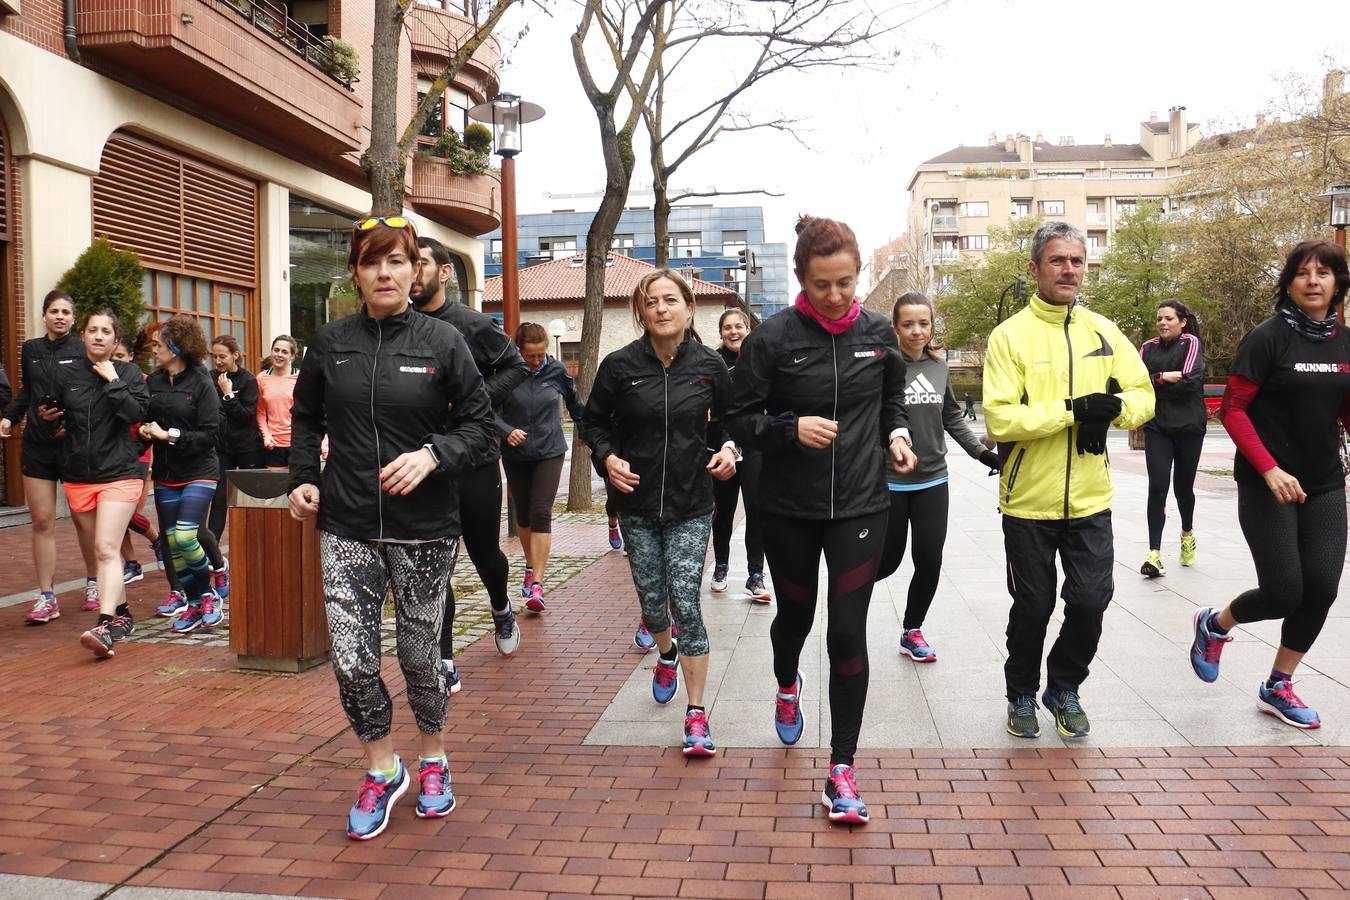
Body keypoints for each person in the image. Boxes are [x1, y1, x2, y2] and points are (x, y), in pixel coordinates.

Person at [288, 214, 496, 840]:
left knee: (418, 654)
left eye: (397, 261)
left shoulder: (442, 342)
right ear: (354, 273)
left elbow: (480, 426)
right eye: (372, 262)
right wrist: (303, 475)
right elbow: (305, 419)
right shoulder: (330, 343)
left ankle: (433, 759)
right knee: (351, 659)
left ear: (416, 270)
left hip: (424, 526)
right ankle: (383, 767)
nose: (384, 272)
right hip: (346, 521)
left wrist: (433, 454)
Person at [726, 215, 916, 825]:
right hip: (790, 506)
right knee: (797, 619)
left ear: (858, 275)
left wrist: (897, 433)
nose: (835, 296)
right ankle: (786, 683)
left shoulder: (879, 333)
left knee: (847, 632)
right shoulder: (773, 339)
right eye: (821, 284)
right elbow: (740, 418)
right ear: (801, 281)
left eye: (845, 282)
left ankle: (842, 769)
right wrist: (790, 429)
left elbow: (890, 399)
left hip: (861, 503)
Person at [983, 221, 1154, 741]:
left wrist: (1112, 411)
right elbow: (1001, 420)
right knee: (1033, 606)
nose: (1069, 269)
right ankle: (1019, 694)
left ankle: (1064, 686)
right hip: (1027, 502)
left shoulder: (1104, 330)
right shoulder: (1009, 336)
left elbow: (1144, 396)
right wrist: (1071, 412)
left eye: (1077, 261)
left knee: (1089, 601)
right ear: (1035, 269)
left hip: (1089, 499)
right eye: (1058, 260)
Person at [1190, 239, 1350, 730]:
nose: (1314, 281)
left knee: (1321, 588)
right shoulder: (1268, 337)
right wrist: (1268, 468)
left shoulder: (1346, 341)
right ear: (1289, 282)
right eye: (1303, 272)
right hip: (1267, 484)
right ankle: (1215, 625)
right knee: (1284, 591)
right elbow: (1232, 409)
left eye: (1324, 273)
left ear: (1338, 284)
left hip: (1323, 482)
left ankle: (1278, 684)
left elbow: (1344, 409)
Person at [581, 268, 738, 758]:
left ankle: (695, 714)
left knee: (686, 602)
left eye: (671, 300)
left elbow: (733, 422)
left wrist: (731, 448)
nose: (661, 309)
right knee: (653, 605)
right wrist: (605, 459)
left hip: (693, 504)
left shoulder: (710, 366)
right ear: (641, 313)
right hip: (637, 506)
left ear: (689, 308)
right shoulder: (619, 367)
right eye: (651, 302)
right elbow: (593, 424)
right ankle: (665, 654)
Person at [411, 236, 530, 684]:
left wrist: (472, 402)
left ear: (444, 272)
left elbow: (516, 367)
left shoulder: (472, 323)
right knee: (435, 561)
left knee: (483, 553)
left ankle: (500, 606)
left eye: (422, 263)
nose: (413, 271)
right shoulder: (396, 325)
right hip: (423, 461)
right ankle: (443, 657)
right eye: (409, 263)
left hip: (476, 456)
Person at [879, 292, 1001, 663]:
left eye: (924, 323)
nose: (917, 331)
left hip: (933, 479)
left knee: (929, 559)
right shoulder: (882, 366)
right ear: (895, 327)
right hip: (889, 482)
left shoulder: (938, 367)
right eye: (908, 324)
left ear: (932, 326)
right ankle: (844, 608)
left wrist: (982, 453)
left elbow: (951, 417)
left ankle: (912, 630)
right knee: (887, 560)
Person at [0, 290, 100, 624]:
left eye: (66, 312)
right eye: (54, 311)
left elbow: (91, 398)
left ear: (74, 318)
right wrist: (10, 417)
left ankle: (94, 583)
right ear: (44, 315)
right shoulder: (31, 349)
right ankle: (46, 597)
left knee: (83, 519)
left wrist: (72, 425)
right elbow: (27, 391)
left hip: (73, 446)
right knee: (42, 521)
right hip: (37, 446)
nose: (60, 316)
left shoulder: (82, 349)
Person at [57, 309, 151, 658]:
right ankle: (123, 616)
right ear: (83, 335)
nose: (98, 335)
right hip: (79, 475)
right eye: (92, 330)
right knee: (101, 554)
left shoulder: (128, 373)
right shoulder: (66, 374)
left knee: (107, 548)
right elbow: (59, 419)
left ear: (115, 340)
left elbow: (134, 415)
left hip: (120, 473)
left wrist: (113, 380)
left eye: (105, 331)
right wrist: (50, 419)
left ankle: (105, 622)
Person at [139, 315, 223, 635]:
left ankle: (209, 595)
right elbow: (146, 420)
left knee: (187, 536)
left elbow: (210, 435)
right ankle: (196, 601)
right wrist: (146, 431)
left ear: (175, 348)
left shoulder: (201, 382)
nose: (153, 350)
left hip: (200, 470)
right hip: (165, 474)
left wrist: (169, 435)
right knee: (174, 545)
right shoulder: (154, 382)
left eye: (159, 345)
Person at [497, 322, 585, 613]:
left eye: (540, 355)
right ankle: (531, 564)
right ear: (518, 351)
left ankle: (537, 583)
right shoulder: (506, 373)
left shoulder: (557, 371)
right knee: (523, 515)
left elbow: (575, 404)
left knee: (540, 512)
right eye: (530, 356)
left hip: (550, 450)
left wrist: (589, 430)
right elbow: (484, 408)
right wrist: (506, 430)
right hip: (515, 452)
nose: (536, 361)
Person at [1137, 300, 1206, 577]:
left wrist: (1158, 384)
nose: (1163, 323)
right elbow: (1136, 383)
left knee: (1183, 488)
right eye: (1159, 319)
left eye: (1168, 318)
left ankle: (1187, 533)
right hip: (1158, 427)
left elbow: (1192, 381)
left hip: (1189, 427)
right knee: (1157, 486)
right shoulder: (1148, 347)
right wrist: (1164, 377)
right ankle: (1154, 554)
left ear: (1182, 322)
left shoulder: (1191, 343)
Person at [709, 308, 770, 603]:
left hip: (754, 445)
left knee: (757, 510)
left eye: (739, 326)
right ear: (721, 333)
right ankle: (720, 567)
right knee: (724, 510)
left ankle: (755, 574)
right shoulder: (714, 363)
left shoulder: (760, 360)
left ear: (748, 329)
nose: (734, 332)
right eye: (728, 327)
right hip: (722, 446)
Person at [112, 334, 160, 586]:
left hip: (138, 454)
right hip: (110, 455)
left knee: (127, 514)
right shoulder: (102, 379)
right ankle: (131, 563)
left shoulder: (143, 381)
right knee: (109, 516)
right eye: (113, 357)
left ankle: (157, 541)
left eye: (120, 356)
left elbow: (150, 419)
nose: (115, 361)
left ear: (130, 357)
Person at [206, 334, 265, 541]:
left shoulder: (248, 380)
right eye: (214, 357)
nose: (218, 361)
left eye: (222, 356)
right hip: (222, 447)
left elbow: (246, 416)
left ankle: (256, 542)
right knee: (219, 496)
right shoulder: (210, 377)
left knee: (252, 497)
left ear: (235, 355)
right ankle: (212, 548)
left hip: (248, 447)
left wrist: (228, 395)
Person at [257, 335, 298, 469]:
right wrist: (266, 435)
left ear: (292, 356)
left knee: (297, 488)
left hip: (297, 443)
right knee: (275, 488)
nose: (279, 354)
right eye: (276, 350)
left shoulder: (300, 377)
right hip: (273, 444)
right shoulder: (262, 378)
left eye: (285, 352)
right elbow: (260, 412)